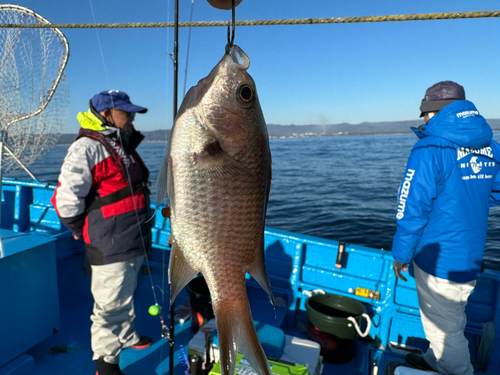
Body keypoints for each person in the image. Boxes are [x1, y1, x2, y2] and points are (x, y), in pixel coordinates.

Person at [391, 81, 500, 375]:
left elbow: (410, 210)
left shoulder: (429, 148)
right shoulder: (489, 145)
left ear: (434, 112)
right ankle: (433, 361)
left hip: (438, 262)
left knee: (444, 332)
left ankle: (455, 370)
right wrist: (467, 198)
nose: (423, 120)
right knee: (454, 315)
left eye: (425, 113)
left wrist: (401, 254)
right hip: (470, 257)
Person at [51, 90, 153, 375]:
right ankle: (106, 365)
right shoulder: (87, 147)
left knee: (125, 296)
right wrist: (80, 230)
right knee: (109, 307)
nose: (131, 116)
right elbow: (66, 200)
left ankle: (127, 336)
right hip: (110, 243)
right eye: (126, 112)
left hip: (132, 240)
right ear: (106, 114)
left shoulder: (120, 144)